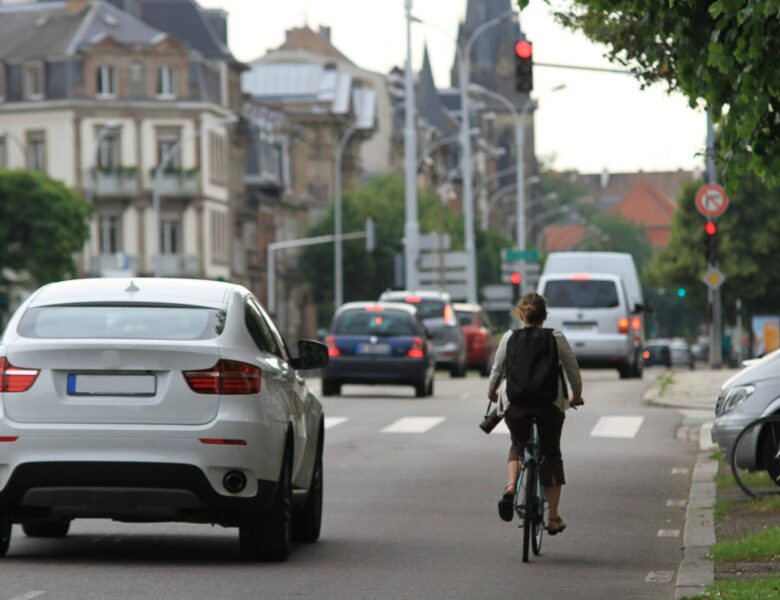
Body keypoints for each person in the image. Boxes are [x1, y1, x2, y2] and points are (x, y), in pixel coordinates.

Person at [487, 292, 583, 535]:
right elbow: (573, 370)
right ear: (544, 316)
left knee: (518, 445)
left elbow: (497, 369)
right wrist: (576, 395)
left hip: (516, 405)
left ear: (521, 315)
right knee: (551, 453)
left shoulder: (509, 337)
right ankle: (553, 518)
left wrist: (491, 391)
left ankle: (510, 488)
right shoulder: (556, 337)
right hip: (549, 406)